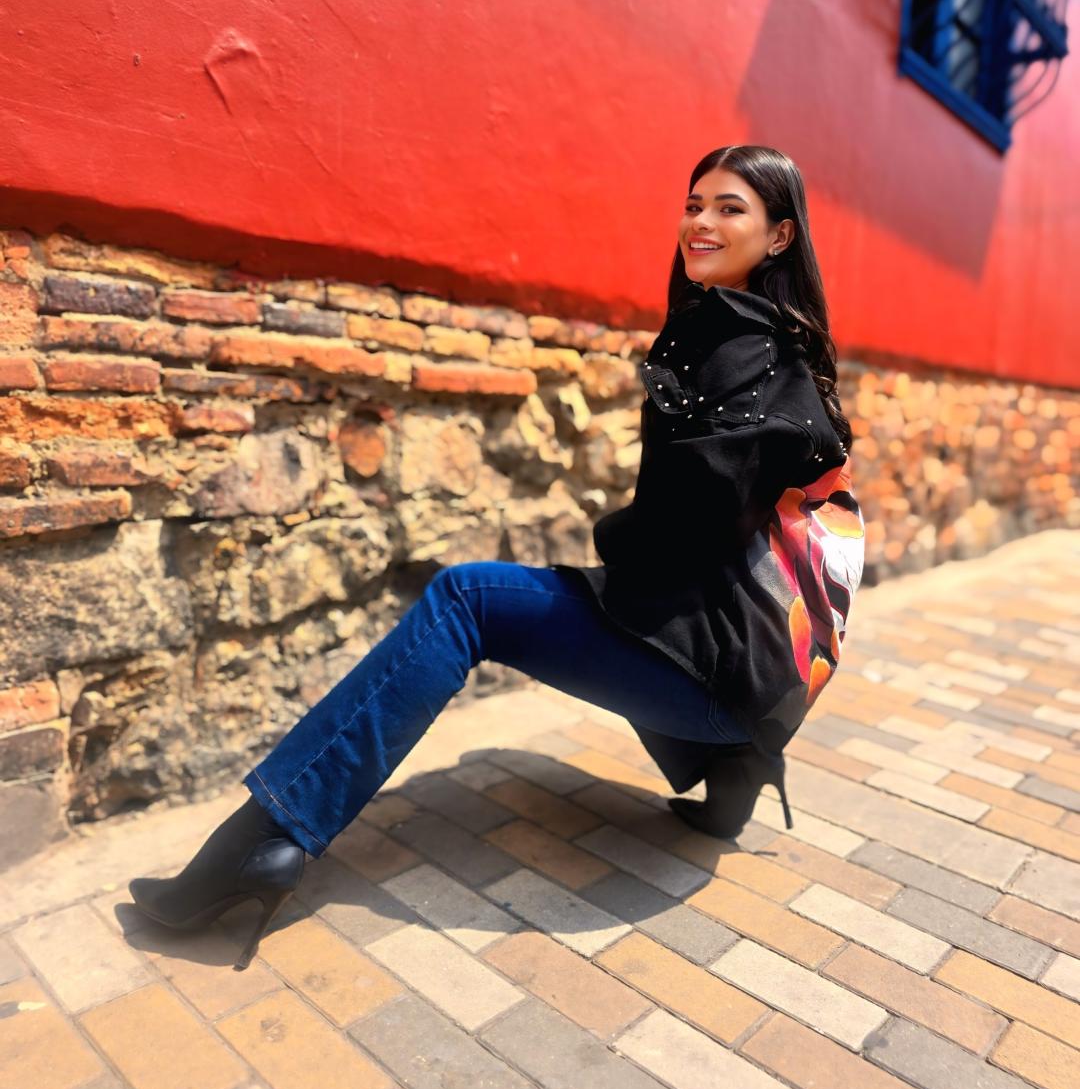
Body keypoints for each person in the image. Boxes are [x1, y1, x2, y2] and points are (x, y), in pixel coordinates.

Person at [129, 144, 866, 969]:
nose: (701, 222)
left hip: (720, 682)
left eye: (730, 208)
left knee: (469, 599)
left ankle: (262, 842)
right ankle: (733, 775)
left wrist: (614, 540)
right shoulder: (780, 347)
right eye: (695, 204)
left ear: (778, 236)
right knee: (610, 593)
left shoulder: (736, 344)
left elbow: (686, 525)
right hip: (761, 681)